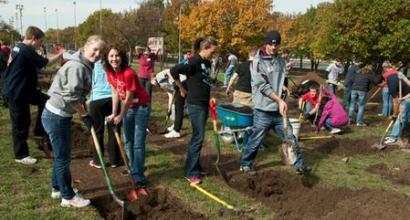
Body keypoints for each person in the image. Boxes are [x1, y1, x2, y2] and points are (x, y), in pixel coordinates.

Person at [41, 35, 105, 208]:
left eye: (101, 51)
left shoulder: (85, 65)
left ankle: (57, 188)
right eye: (95, 49)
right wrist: (84, 115)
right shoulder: (77, 66)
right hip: (56, 116)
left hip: (58, 114)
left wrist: (83, 111)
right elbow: (71, 96)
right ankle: (68, 196)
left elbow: (78, 94)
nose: (97, 54)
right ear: (86, 47)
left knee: (60, 156)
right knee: (63, 158)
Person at [240, 31, 310, 176]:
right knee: (256, 140)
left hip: (279, 111)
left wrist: (285, 90)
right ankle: (246, 164)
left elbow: (278, 80)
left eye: (276, 44)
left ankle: (299, 165)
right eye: (271, 44)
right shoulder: (257, 63)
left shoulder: (279, 60)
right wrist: (279, 100)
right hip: (263, 110)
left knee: (290, 137)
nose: (273, 47)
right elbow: (263, 86)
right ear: (265, 44)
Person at [2, 26, 64, 165]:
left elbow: (35, 69)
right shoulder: (25, 50)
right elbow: (44, 63)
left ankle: (39, 130)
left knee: (45, 100)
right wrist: (60, 55)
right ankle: (21, 155)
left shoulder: (19, 47)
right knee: (20, 123)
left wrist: (55, 71)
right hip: (16, 92)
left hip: (25, 90)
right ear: (33, 38)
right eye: (40, 42)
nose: (40, 45)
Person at [170, 36, 218, 184]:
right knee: (198, 137)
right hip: (195, 103)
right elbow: (174, 70)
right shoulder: (194, 61)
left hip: (204, 102)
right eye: (212, 51)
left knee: (198, 137)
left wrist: (211, 96)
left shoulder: (206, 62)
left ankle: (195, 166)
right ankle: (190, 172)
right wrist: (182, 88)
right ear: (205, 49)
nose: (214, 54)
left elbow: (205, 81)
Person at [105, 45, 151, 189]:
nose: (114, 59)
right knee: (127, 140)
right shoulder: (110, 73)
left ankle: (138, 175)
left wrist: (120, 115)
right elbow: (115, 93)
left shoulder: (129, 73)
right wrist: (114, 112)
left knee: (138, 142)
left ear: (122, 57)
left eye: (117, 55)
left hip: (140, 107)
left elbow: (129, 98)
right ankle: (132, 167)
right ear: (107, 58)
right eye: (111, 56)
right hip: (128, 108)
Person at [88, 60, 121, 169]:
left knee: (98, 130)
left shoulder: (90, 64)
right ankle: (114, 160)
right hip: (113, 99)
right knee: (114, 129)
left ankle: (98, 161)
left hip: (97, 99)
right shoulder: (113, 63)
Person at [383, 61, 410, 145]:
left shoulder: (391, 83)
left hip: (408, 97)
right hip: (407, 96)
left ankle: (393, 137)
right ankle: (402, 133)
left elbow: (395, 102)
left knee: (400, 116)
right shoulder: (397, 75)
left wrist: (394, 114)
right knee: (404, 116)